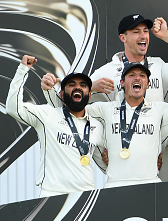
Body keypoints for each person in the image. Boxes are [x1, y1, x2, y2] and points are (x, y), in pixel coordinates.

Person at [7, 55, 103, 197]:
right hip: (52, 195)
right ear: (62, 95)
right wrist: (23, 70)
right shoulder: (47, 114)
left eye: (83, 85)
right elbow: (13, 109)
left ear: (89, 96)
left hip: (85, 195)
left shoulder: (97, 126)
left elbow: (104, 162)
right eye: (71, 85)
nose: (77, 87)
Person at [87, 62, 167, 187]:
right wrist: (90, 87)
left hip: (150, 184)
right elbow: (71, 107)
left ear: (148, 84)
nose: (137, 78)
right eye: (131, 75)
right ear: (122, 82)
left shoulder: (160, 109)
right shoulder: (106, 109)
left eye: (142, 75)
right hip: (115, 185)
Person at [89, 14, 168, 103]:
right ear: (123, 38)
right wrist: (91, 88)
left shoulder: (159, 65)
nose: (143, 36)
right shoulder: (105, 72)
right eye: (136, 32)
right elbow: (75, 100)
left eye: (146, 31)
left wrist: (166, 35)